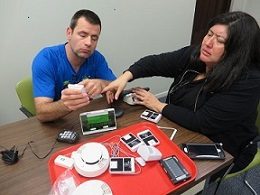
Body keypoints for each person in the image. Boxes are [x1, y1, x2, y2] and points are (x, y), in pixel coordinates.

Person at [103, 11, 260, 173]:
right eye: (209, 34)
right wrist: (124, 77)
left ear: (237, 52)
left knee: (168, 174)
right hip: (179, 126)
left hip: (222, 147)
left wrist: (156, 104)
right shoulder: (197, 55)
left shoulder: (247, 81)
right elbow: (154, 62)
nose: (208, 43)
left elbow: (202, 122)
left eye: (219, 40)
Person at [32, 9, 116, 122]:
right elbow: (42, 113)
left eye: (94, 38)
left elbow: (117, 85)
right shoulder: (46, 59)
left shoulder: (96, 58)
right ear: (69, 33)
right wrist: (66, 104)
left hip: (84, 120)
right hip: (56, 125)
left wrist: (103, 84)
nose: (89, 43)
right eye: (83, 35)